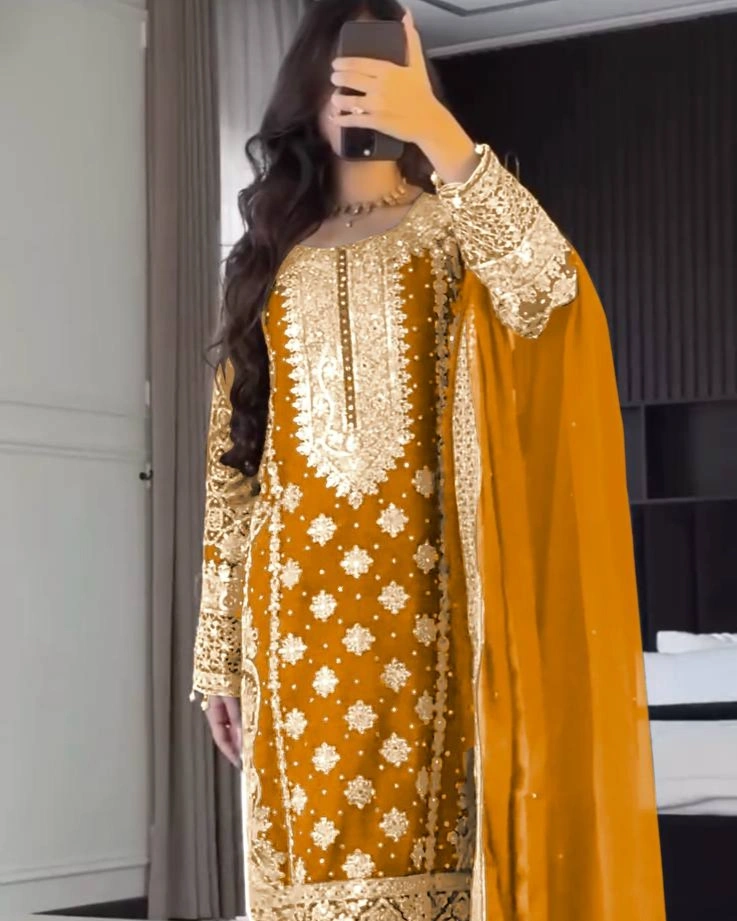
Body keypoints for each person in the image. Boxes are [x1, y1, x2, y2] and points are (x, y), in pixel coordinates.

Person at [190, 1, 666, 919]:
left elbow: (550, 293)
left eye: (383, 72)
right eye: (344, 74)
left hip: (431, 616)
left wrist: (440, 136)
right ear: (306, 89)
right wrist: (218, 654)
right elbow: (232, 464)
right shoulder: (265, 259)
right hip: (292, 630)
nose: (359, 95)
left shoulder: (453, 227)